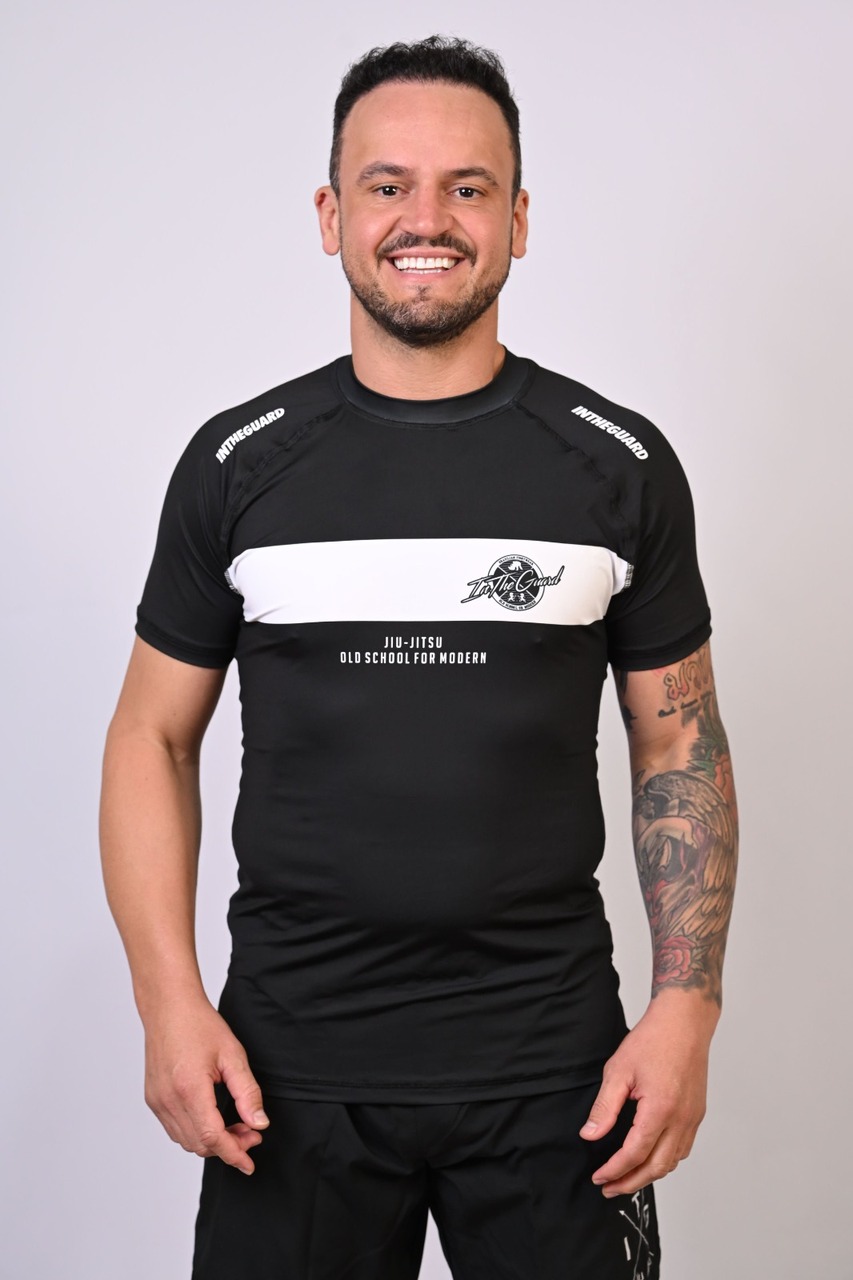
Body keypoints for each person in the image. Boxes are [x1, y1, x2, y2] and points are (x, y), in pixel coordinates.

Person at [99, 34, 738, 1280]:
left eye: (468, 186)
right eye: (387, 184)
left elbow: (679, 739)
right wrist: (167, 1004)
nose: (426, 219)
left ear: (518, 219)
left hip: (557, 1073)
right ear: (332, 214)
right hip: (287, 1076)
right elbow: (150, 735)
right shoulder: (238, 465)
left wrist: (686, 1009)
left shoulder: (618, 465)